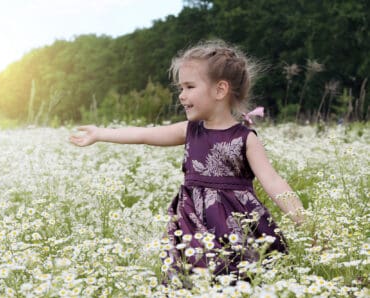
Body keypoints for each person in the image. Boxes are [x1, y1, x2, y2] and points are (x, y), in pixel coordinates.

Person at [69, 40, 304, 282]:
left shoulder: (245, 138)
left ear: (220, 90)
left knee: (242, 281)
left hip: (236, 230)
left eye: (189, 86)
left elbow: (273, 181)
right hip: (192, 227)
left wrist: (305, 223)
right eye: (180, 88)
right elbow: (143, 135)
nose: (182, 95)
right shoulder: (190, 130)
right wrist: (100, 134)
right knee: (189, 282)